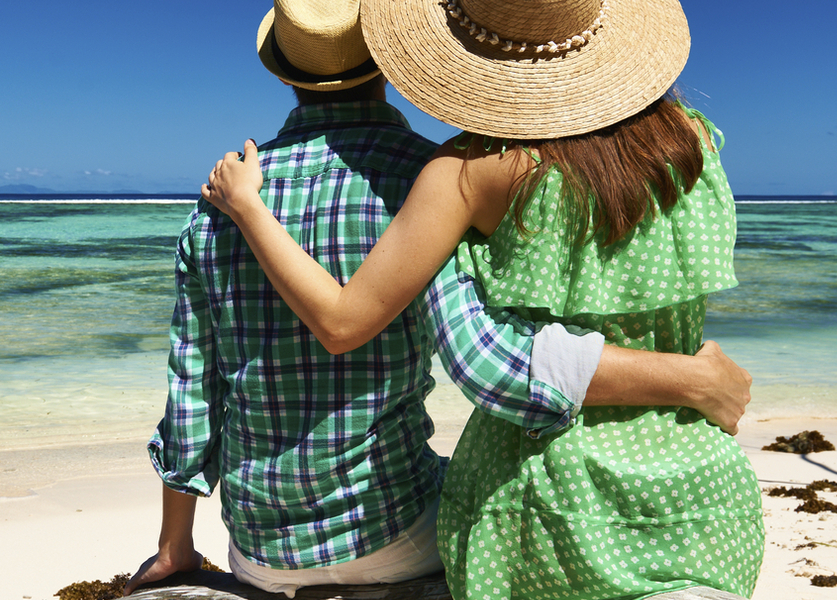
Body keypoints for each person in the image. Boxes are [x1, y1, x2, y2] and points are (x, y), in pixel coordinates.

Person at [133, 1, 755, 598]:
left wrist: (175, 547)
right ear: (384, 63)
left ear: (286, 69)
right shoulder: (690, 142)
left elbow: (194, 388)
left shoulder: (224, 207)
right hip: (681, 492)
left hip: (282, 545)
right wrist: (692, 378)